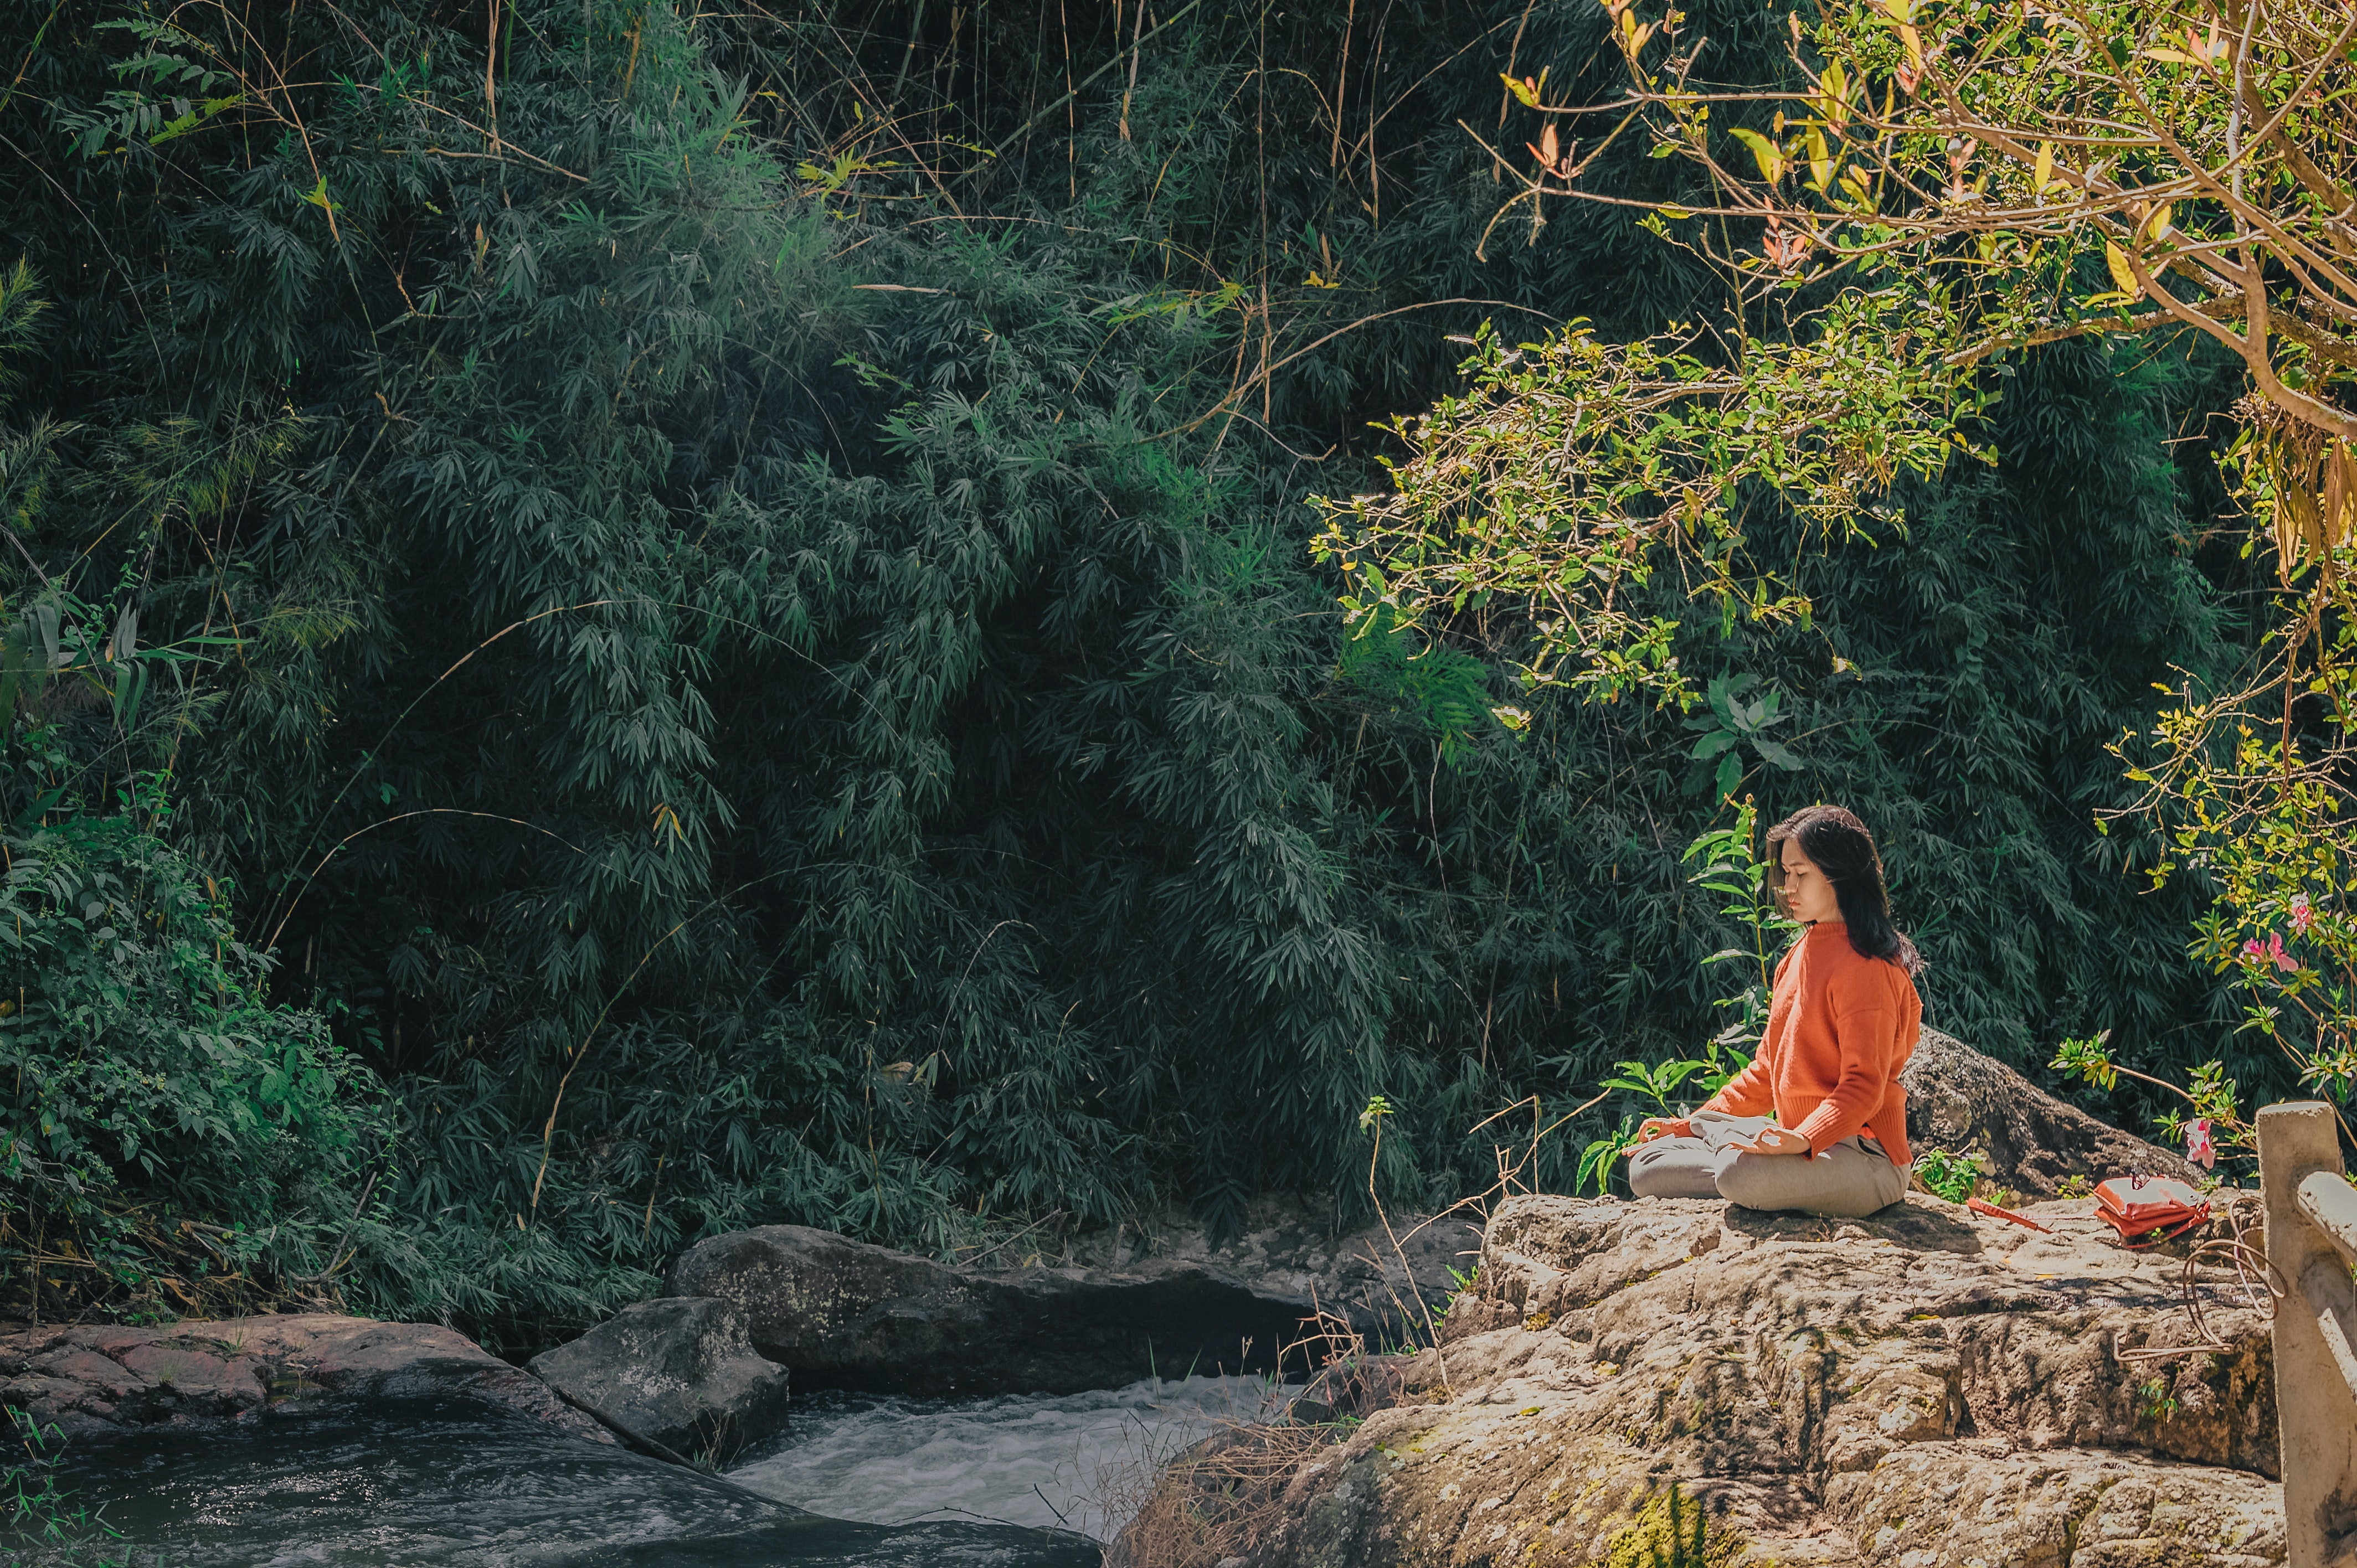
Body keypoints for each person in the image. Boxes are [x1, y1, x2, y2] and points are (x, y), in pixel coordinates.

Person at [1627, 804, 1923, 1218]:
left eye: (1801, 874)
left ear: (1839, 874)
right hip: (1794, 1145)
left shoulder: (1867, 968)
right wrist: (1689, 1123)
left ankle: (1748, 1165)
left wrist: (1803, 1138)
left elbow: (1863, 1086)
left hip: (1866, 1157)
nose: (1788, 887)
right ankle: (1742, 1158)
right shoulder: (1798, 956)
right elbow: (1765, 1075)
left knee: (1737, 1172)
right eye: (1785, 874)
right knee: (1647, 1166)